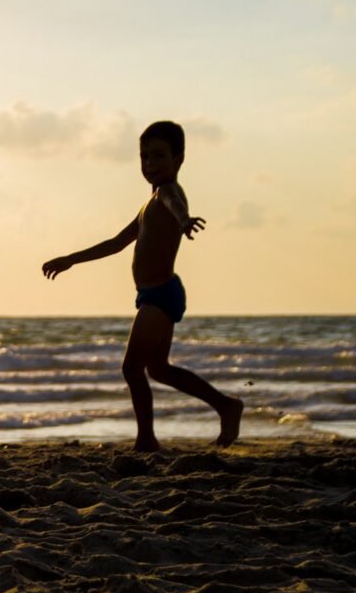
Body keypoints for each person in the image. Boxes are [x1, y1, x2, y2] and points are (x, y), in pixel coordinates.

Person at [42, 121, 242, 452]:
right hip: (152, 295)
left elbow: (177, 206)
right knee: (158, 369)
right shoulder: (147, 203)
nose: (150, 164)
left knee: (132, 368)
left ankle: (146, 439)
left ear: (179, 159)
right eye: (144, 157)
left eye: (159, 156)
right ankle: (225, 406)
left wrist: (183, 220)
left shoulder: (167, 193)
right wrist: (71, 259)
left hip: (161, 295)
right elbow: (118, 242)